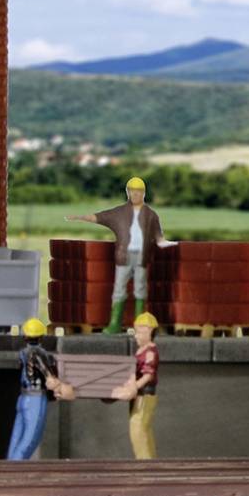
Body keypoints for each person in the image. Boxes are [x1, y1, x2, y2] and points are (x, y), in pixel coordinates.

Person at [78, 176, 163, 333]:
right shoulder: (120, 213)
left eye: (139, 192)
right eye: (133, 191)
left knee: (140, 288)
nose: (136, 195)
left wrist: (164, 243)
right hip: (124, 256)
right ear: (128, 192)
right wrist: (81, 217)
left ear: (144, 193)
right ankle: (115, 323)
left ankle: (139, 325)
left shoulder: (151, 215)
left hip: (142, 257)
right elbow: (101, 216)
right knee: (119, 288)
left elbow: (159, 235)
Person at [7, 317, 76, 461]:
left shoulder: (23, 353)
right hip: (35, 399)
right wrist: (62, 388)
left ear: (25, 336)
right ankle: (14, 471)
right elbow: (50, 379)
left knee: (17, 437)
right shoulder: (39, 353)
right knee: (30, 439)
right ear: (41, 336)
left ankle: (9, 465)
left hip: (23, 397)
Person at [107, 311, 163, 460]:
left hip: (144, 394)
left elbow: (148, 375)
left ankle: (145, 462)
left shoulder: (150, 352)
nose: (136, 335)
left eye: (139, 331)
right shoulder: (142, 350)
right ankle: (149, 461)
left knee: (138, 429)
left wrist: (134, 387)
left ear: (149, 331)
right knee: (143, 429)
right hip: (139, 395)